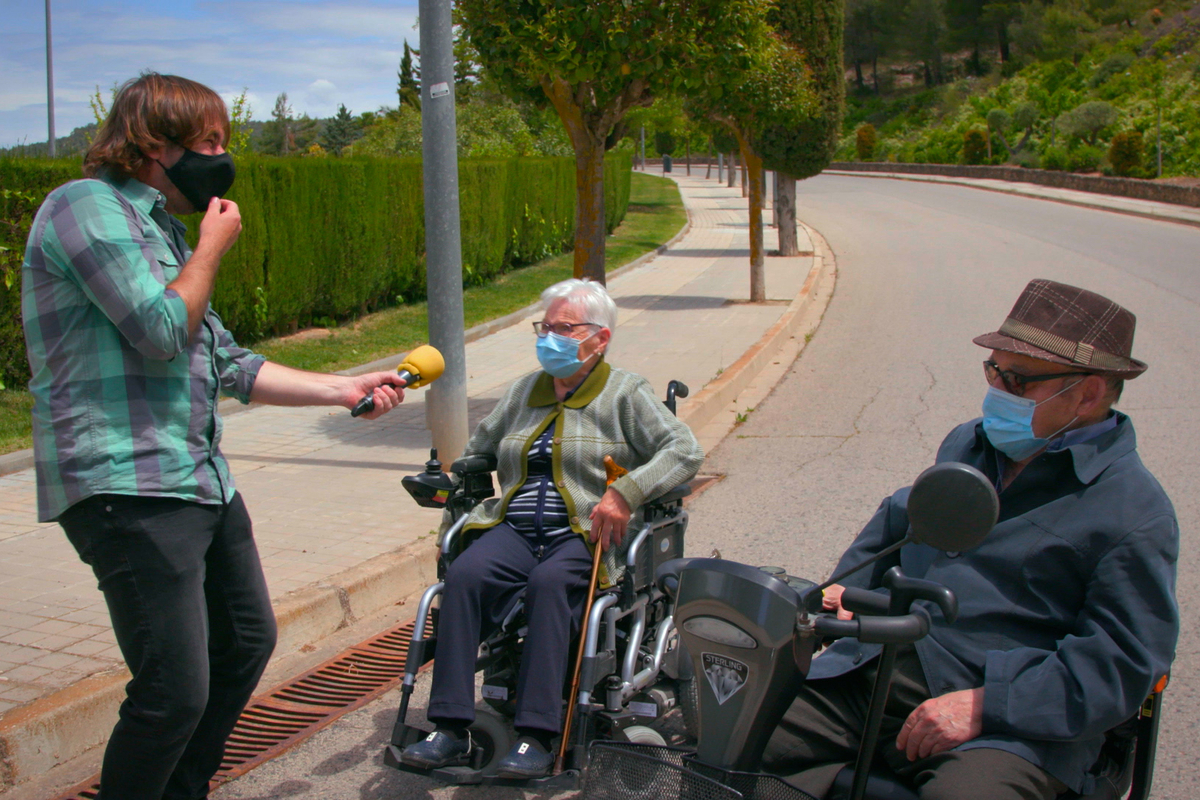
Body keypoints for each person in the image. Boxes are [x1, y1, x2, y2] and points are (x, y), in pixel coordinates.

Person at [20, 73, 407, 800]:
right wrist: (211, 249)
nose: (222, 157)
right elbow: (161, 330)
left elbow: (225, 360)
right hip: (125, 482)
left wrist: (345, 387)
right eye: (209, 142)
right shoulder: (83, 208)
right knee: (173, 691)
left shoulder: (160, 227)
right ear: (152, 144)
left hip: (196, 476)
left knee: (247, 640)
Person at [762, 279, 1178, 800]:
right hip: (880, 668)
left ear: (1089, 393)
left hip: (1008, 724)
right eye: (993, 371)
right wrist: (847, 592)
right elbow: (901, 515)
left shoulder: (1134, 510)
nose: (996, 391)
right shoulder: (971, 443)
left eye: (1018, 380)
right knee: (726, 737)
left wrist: (987, 705)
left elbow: (1120, 666)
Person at [400, 278, 703, 778]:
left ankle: (537, 735)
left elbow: (685, 451)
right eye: (545, 328)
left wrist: (625, 492)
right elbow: (481, 451)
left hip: (582, 532)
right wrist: (447, 488)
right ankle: (450, 728)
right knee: (464, 577)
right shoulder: (525, 391)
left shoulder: (625, 392)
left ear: (599, 338)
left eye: (564, 329)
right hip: (515, 528)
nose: (550, 338)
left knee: (549, 585)